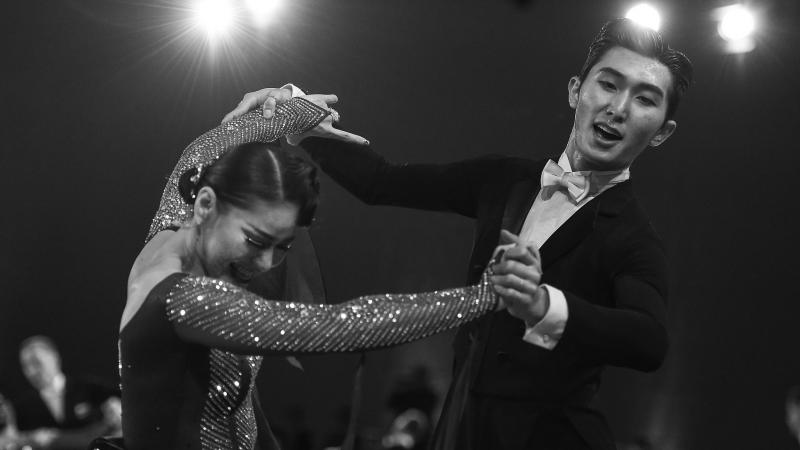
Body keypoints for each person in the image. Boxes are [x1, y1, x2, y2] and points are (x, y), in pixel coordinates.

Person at [226, 17, 693, 450]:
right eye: (608, 84)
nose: (618, 108)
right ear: (576, 90)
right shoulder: (505, 179)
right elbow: (382, 181)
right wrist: (294, 113)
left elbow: (648, 339)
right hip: (460, 426)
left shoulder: (634, 237)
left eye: (645, 98)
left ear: (662, 133)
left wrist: (542, 304)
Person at [120, 94, 502, 450]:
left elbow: (208, 145)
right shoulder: (183, 299)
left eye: (283, 246)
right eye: (255, 241)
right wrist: (484, 296)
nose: (267, 263)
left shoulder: (182, 211)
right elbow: (339, 325)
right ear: (206, 204)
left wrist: (294, 105)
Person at [10, 336, 120, 450]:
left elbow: (123, 402)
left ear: (54, 358)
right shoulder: (22, 407)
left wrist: (116, 407)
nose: (31, 371)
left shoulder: (89, 388)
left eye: (36, 362)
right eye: (25, 366)